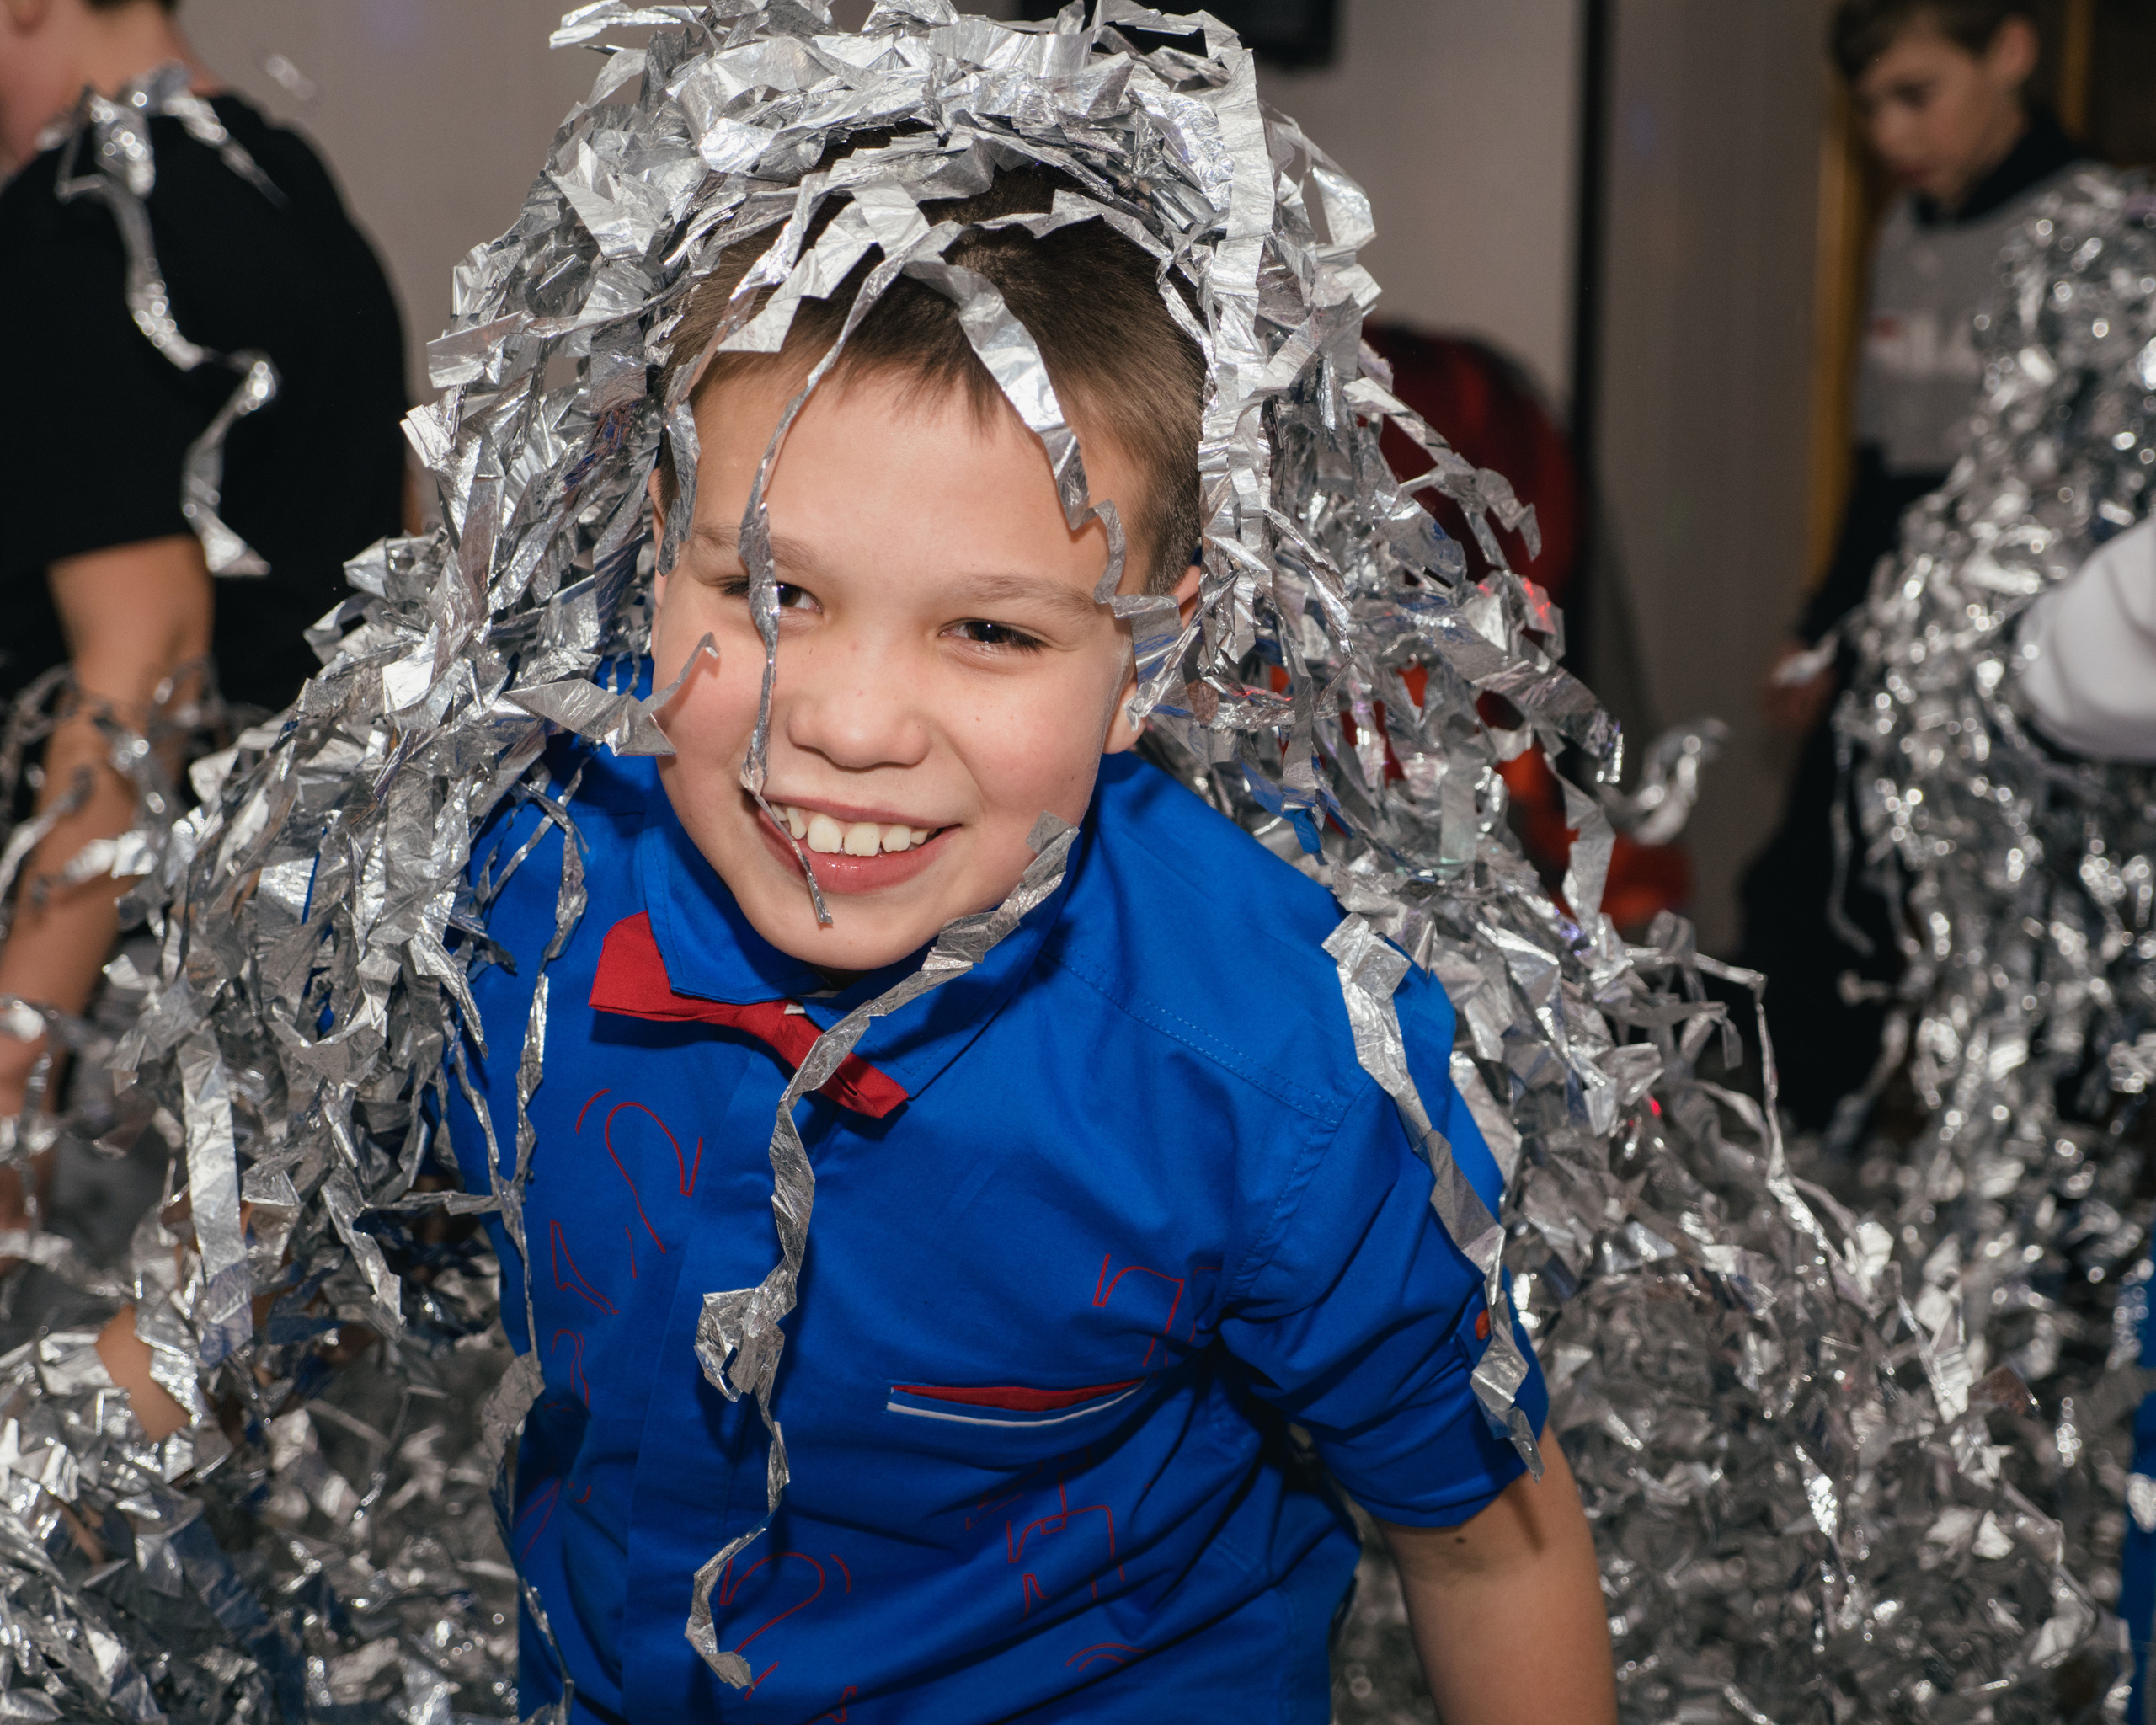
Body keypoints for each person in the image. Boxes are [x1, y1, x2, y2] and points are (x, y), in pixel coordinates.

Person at [418, 158, 1613, 1722]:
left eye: (991, 631)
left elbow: (1488, 1550)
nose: (841, 723)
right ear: (656, 559)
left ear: (1150, 665)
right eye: (770, 589)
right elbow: (254, 1273)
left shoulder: (1279, 1073)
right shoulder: (506, 903)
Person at [0, 0, 408, 1133]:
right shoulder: (284, 177)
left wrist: (10, 1079)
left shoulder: (75, 221)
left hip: (126, 1008)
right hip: (294, 969)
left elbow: (148, 664)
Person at [1737, 0, 2086, 1129]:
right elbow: (1884, 468)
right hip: (1899, 622)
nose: (1891, 133)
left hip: (2046, 643)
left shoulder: (2098, 229)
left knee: (2027, 924)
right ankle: (1807, 1155)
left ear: (2012, 53)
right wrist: (1822, 624)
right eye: (1870, 106)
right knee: (1812, 888)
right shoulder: (1907, 231)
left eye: (1916, 94)